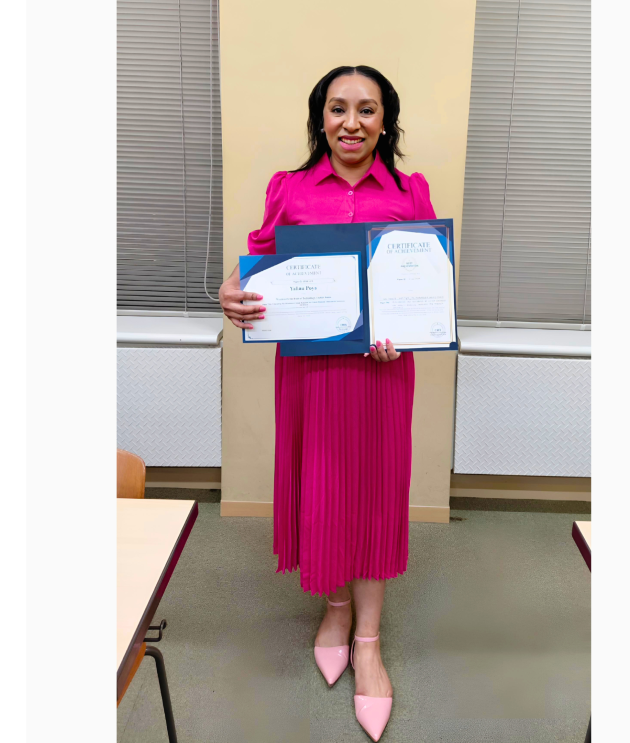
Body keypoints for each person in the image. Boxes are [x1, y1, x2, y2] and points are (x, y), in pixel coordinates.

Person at [218, 64, 435, 742]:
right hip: (310, 373)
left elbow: (423, 283)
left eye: (367, 109)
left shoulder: (410, 191)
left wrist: (407, 329)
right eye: (338, 108)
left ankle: (368, 640)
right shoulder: (288, 188)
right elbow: (258, 261)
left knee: (374, 493)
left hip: (380, 375)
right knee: (323, 487)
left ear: (385, 121)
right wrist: (231, 293)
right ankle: (335, 607)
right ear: (320, 117)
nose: (351, 122)